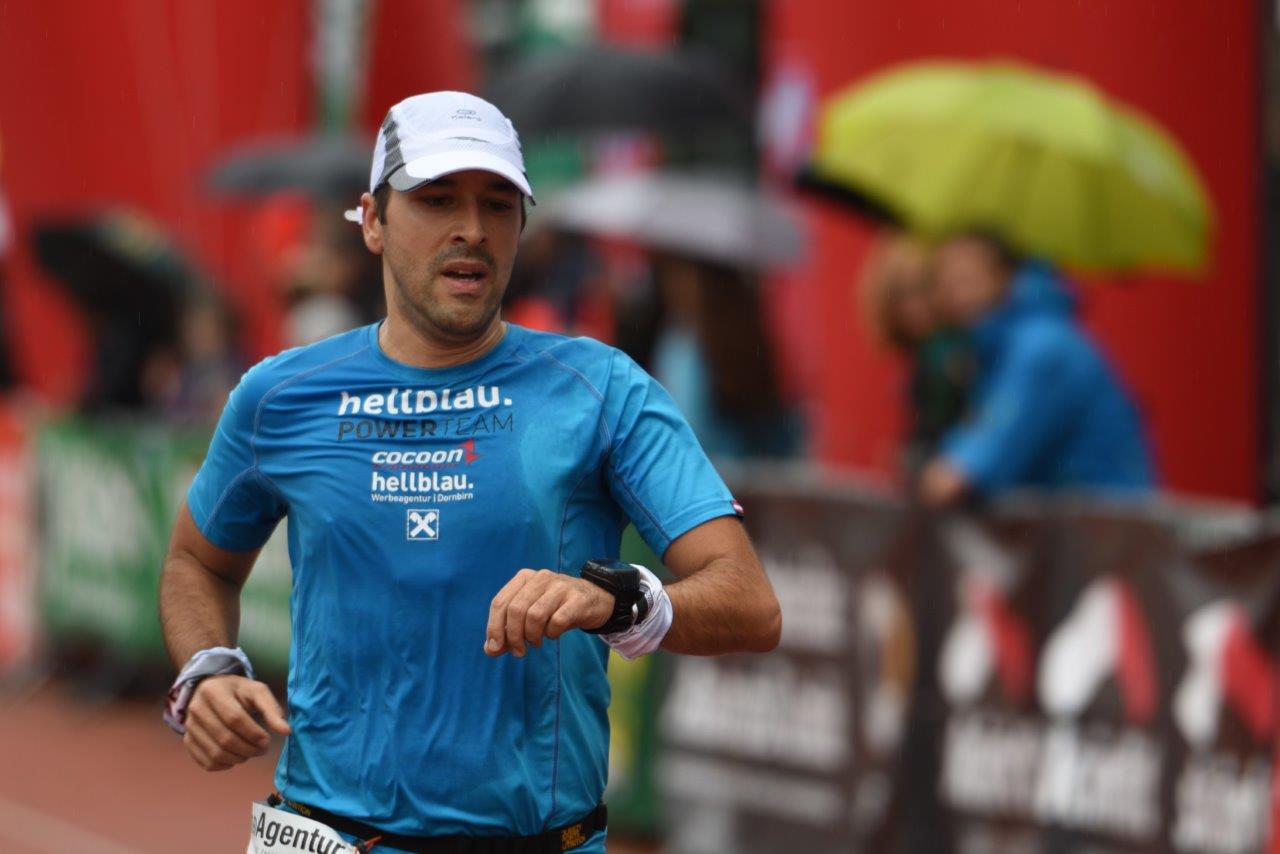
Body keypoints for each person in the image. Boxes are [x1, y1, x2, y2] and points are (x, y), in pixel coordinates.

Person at [157, 91, 780, 854]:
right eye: (437, 199)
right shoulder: (280, 396)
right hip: (322, 833)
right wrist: (207, 670)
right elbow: (196, 562)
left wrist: (616, 602)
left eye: (498, 204)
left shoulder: (600, 389)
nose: (473, 230)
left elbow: (750, 603)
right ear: (373, 221)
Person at [919, 232, 1154, 506]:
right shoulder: (999, 348)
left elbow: (968, 470)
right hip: (1082, 520)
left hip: (1103, 524)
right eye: (945, 283)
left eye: (966, 279)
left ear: (1004, 275)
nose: (956, 296)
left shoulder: (1042, 348)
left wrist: (941, 472)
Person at [857, 232, 972, 480]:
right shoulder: (922, 351)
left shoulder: (947, 349)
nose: (915, 307)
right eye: (903, 296)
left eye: (924, 290)